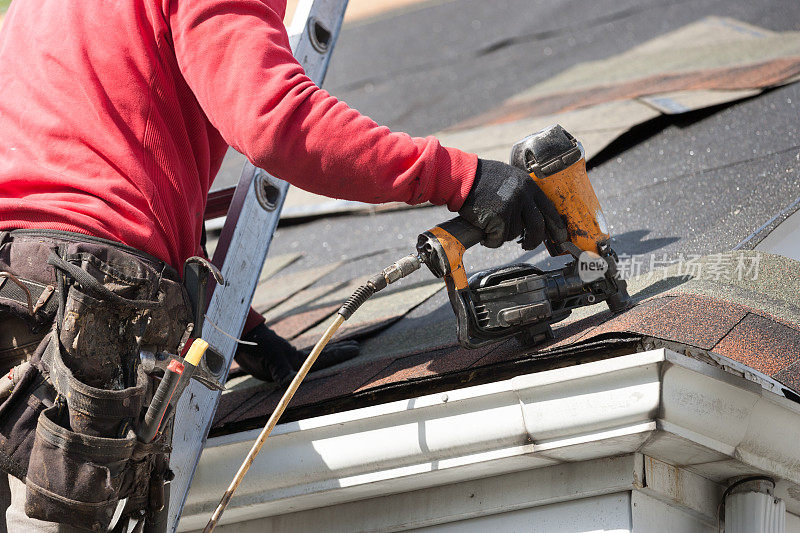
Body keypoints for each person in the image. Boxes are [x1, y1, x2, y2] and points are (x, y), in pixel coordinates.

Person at [0, 0, 566, 530]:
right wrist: (458, 178)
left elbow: (115, 154)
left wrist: (242, 331)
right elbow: (277, 122)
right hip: (91, 287)